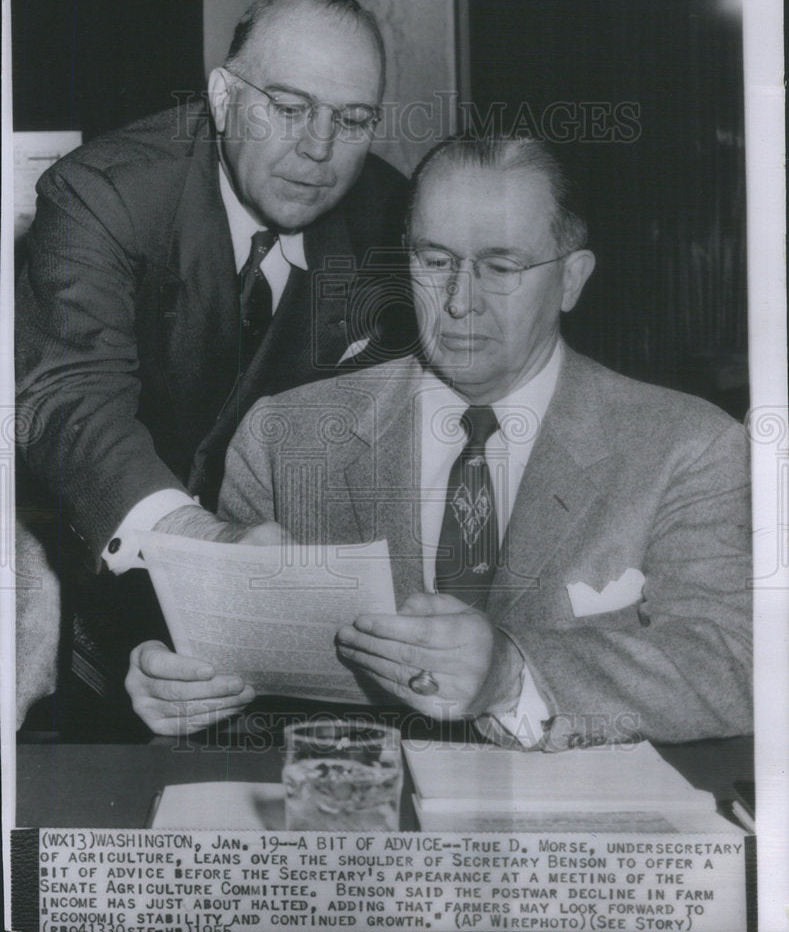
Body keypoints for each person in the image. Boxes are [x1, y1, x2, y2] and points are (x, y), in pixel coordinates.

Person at [125, 135, 752, 750]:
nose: (459, 302)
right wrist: (184, 689)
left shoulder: (687, 448)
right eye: (435, 261)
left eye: (500, 267)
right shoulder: (283, 438)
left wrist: (514, 674)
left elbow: (737, 665)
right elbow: (237, 686)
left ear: (571, 280)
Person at [15, 0, 414, 721]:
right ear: (225, 96)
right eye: (289, 108)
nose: (319, 149)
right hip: (104, 576)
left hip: (285, 607)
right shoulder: (105, 192)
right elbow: (65, 401)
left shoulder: (392, 220)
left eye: (352, 120)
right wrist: (200, 539)